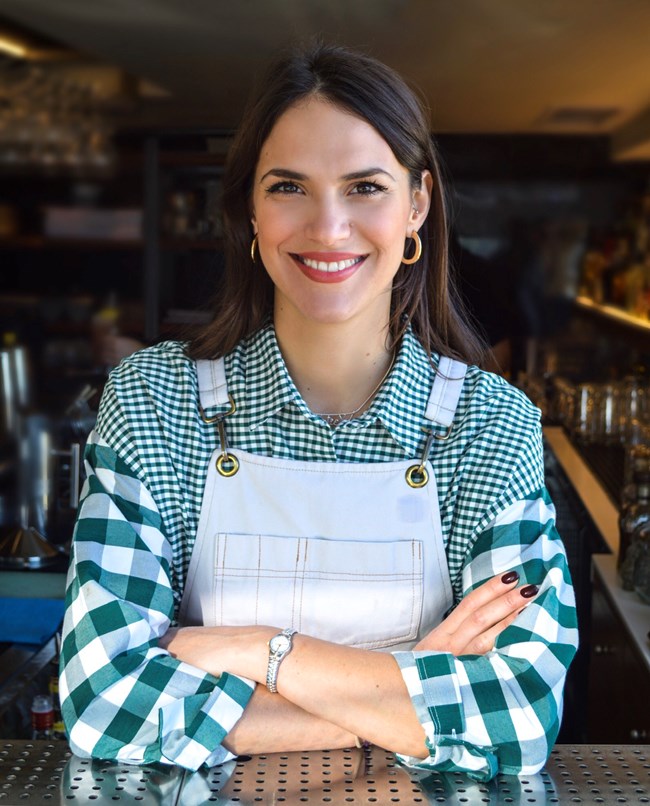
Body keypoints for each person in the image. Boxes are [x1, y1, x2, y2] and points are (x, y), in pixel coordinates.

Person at [59, 42, 578, 781]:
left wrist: (252, 649)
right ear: (249, 210)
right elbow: (104, 701)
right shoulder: (155, 402)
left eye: (365, 186)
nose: (328, 228)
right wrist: (409, 678)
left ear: (417, 206)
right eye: (289, 187)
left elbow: (519, 717)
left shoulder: (489, 424)